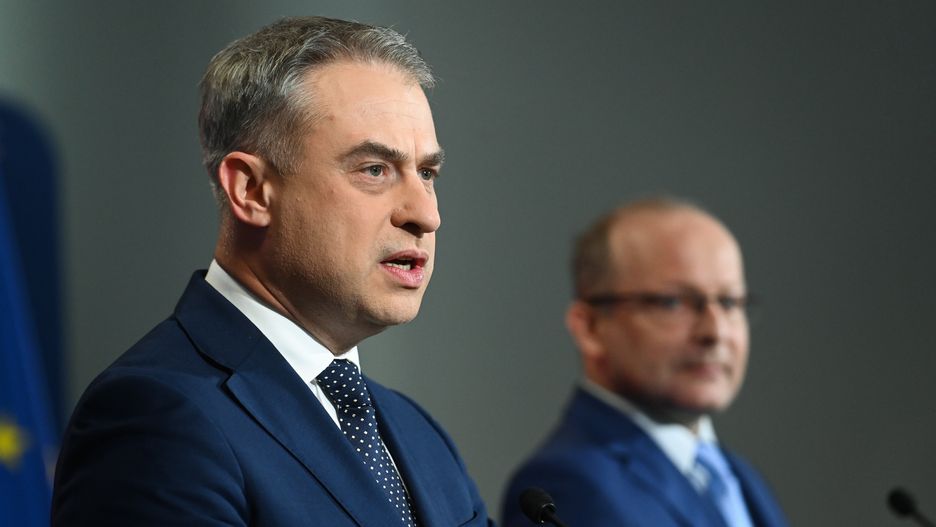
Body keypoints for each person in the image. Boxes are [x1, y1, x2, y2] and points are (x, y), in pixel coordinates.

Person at [52, 16, 491, 526]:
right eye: (374, 169)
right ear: (251, 191)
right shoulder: (155, 416)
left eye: (427, 172)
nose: (426, 215)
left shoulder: (419, 436)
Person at [501, 198, 787, 527]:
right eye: (673, 302)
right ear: (590, 327)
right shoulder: (567, 484)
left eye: (729, 302)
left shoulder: (738, 476)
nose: (715, 331)